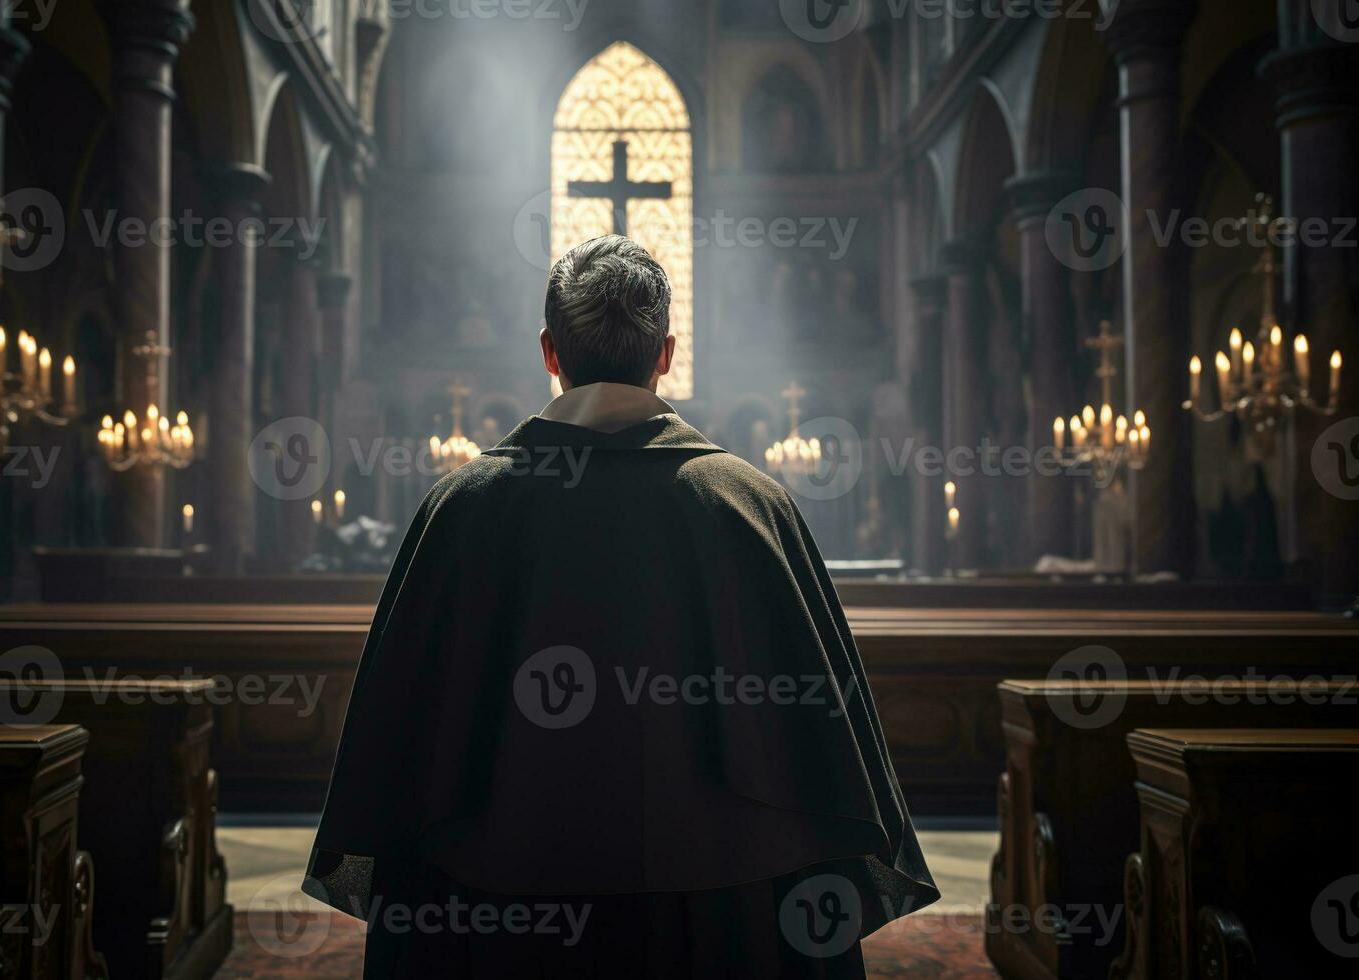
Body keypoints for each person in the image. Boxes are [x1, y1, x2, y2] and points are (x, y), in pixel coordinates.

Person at [305, 235, 938, 978]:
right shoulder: (751, 507)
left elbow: (401, 743)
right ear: (666, 352)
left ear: (549, 351)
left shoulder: (462, 509)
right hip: (718, 907)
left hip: (498, 909)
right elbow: (819, 742)